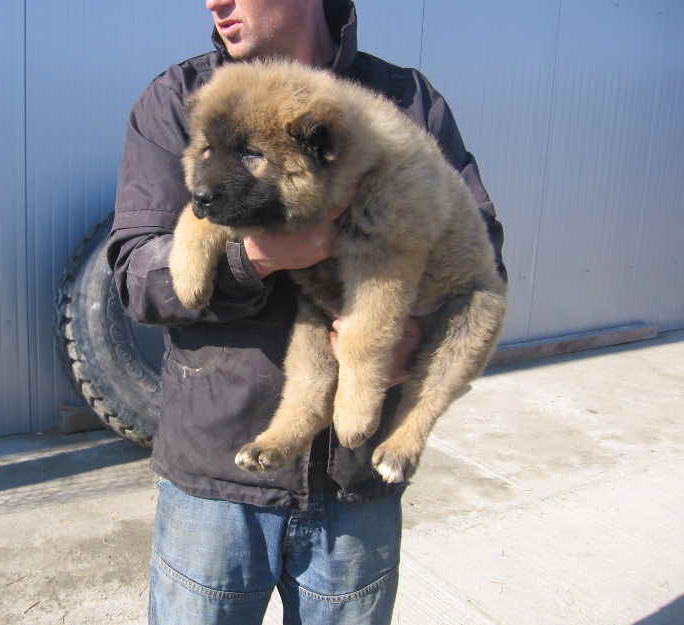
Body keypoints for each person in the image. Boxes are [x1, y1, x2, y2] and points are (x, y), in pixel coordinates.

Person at [107, 1, 506, 623]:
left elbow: (479, 249)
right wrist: (257, 257)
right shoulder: (180, 95)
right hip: (218, 479)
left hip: (356, 487)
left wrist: (410, 336)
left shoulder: (402, 97)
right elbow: (136, 278)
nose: (215, 1)